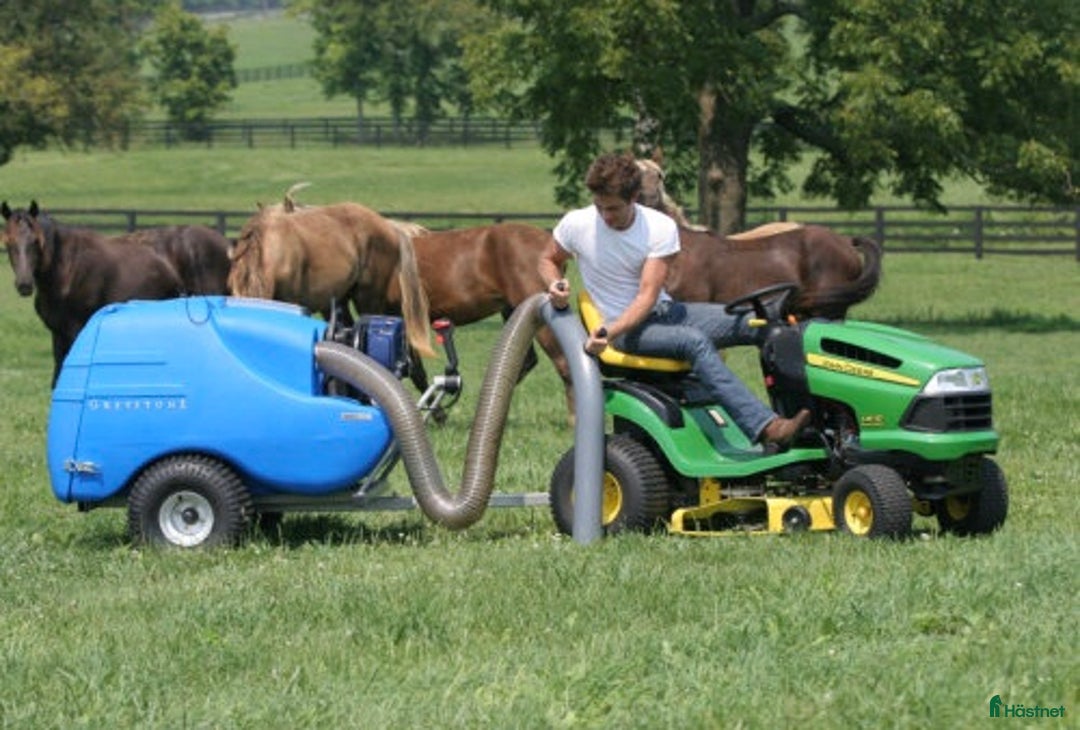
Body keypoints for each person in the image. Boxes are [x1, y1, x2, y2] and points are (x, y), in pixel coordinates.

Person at [538, 152, 810, 447]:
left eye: (613, 209)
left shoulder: (658, 227)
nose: (605, 216)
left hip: (661, 312)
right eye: (599, 207)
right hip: (622, 331)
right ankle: (767, 428)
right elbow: (548, 258)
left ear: (634, 199)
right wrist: (555, 284)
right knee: (692, 342)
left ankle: (805, 419)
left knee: (764, 325)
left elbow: (648, 296)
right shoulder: (577, 223)